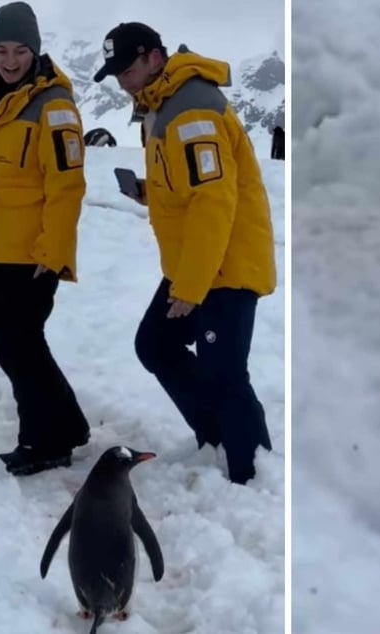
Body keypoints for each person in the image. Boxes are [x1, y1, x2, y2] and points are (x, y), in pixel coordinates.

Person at [92, 22, 277, 485]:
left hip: (224, 267)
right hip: (196, 262)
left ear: (155, 57)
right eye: (115, 73)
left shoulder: (192, 111)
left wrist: (192, 287)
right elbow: (189, 186)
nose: (122, 81)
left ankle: (251, 474)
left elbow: (215, 203)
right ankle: (217, 440)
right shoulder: (162, 106)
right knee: (157, 344)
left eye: (127, 68)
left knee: (225, 374)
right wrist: (150, 193)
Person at [0, 1, 91, 476]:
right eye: (1, 50)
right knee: (9, 337)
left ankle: (45, 441)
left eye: (19, 51)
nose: (9, 60)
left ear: (35, 51)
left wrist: (53, 254)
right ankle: (66, 426)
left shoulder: (54, 106)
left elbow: (67, 187)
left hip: (34, 252)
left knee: (18, 340)